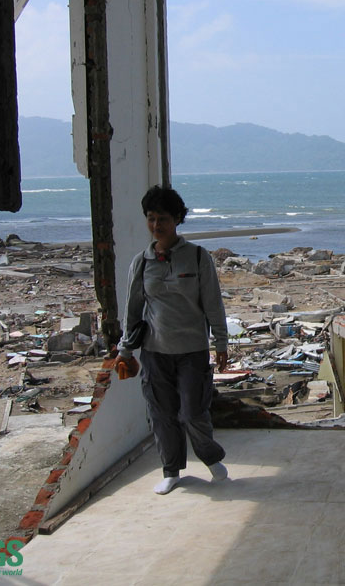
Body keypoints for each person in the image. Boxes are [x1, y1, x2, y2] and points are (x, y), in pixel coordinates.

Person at [114, 185, 231, 495]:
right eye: (151, 218)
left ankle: (210, 457)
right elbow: (133, 310)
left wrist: (221, 343)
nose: (156, 226)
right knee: (162, 414)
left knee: (193, 412)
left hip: (192, 351)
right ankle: (172, 470)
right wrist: (125, 349)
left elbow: (213, 304)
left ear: (177, 219)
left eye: (162, 219)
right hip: (155, 353)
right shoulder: (141, 262)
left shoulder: (196, 257)